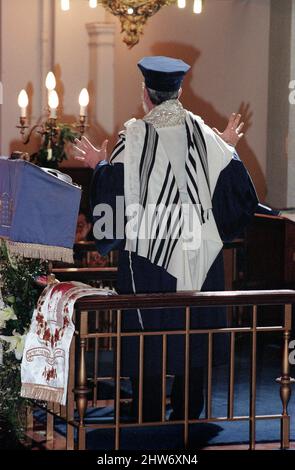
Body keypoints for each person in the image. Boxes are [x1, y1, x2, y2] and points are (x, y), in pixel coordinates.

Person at [73, 56, 259, 422]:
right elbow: (240, 199)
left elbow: (114, 199)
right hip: (197, 256)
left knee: (149, 337)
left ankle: (146, 415)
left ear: (146, 93)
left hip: (149, 259)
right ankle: (189, 414)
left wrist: (100, 165)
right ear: (179, 92)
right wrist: (226, 149)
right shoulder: (208, 136)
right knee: (193, 334)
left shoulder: (135, 136)